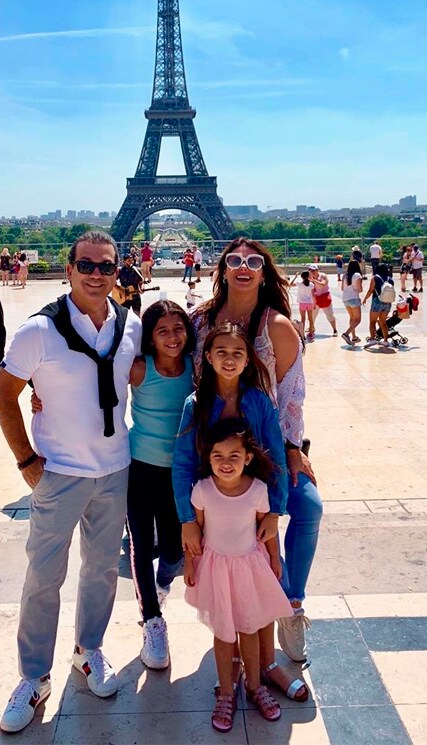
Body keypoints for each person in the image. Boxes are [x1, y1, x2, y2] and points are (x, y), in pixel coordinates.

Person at [0, 231, 141, 734]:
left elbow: (152, 374)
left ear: (120, 270)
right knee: (43, 578)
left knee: (100, 570)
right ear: (69, 269)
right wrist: (26, 462)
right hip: (58, 472)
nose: (97, 274)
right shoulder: (38, 331)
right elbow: (3, 393)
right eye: (87, 265)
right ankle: (33, 676)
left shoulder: (132, 325)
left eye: (107, 267)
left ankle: (88, 650)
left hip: (115, 467)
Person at [188, 237, 322, 692]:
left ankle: (291, 603)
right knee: (242, 533)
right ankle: (254, 632)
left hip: (267, 447)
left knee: (307, 507)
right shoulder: (199, 322)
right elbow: (163, 366)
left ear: (264, 271)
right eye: (234, 260)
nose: (243, 267)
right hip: (218, 457)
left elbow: (291, 398)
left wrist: (293, 447)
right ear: (221, 267)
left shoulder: (279, 326)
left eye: (253, 261)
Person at [184, 420, 296, 733]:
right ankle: (225, 692)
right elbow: (196, 532)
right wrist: (191, 564)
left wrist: (274, 557)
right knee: (223, 633)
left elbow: (267, 529)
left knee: (249, 628)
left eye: (234, 456)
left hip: (249, 568)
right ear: (208, 458)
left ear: (248, 457)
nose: (226, 463)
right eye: (218, 456)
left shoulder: (258, 490)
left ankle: (255, 685)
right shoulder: (202, 490)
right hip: (217, 570)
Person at [126, 300, 194, 669]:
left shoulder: (194, 370)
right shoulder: (140, 369)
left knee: (173, 552)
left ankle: (161, 584)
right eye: (162, 331)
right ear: (149, 338)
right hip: (140, 467)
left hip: (179, 472)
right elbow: (96, 387)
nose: (172, 337)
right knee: (140, 542)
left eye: (178, 329)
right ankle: (152, 620)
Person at [362, 263, 395, 348]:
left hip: (377, 301)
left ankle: (372, 340)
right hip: (387, 302)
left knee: (372, 322)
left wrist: (365, 298)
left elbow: (370, 290)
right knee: (383, 322)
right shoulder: (390, 279)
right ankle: (386, 341)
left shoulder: (375, 278)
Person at [308, 264, 338, 336]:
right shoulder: (308, 278)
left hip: (324, 297)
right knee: (312, 316)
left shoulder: (323, 276)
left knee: (330, 315)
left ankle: (334, 329)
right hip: (315, 298)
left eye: (313, 270)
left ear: (317, 270)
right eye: (310, 270)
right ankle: (311, 328)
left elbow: (323, 284)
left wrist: (314, 280)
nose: (312, 272)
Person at [341, 259, 363, 346]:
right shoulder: (357, 275)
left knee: (352, 318)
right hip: (354, 298)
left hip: (345, 298)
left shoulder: (345, 275)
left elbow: (342, 288)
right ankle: (346, 334)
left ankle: (354, 337)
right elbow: (360, 289)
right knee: (358, 320)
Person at [292, 271, 316, 339]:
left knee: (303, 319)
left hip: (302, 303)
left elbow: (290, 284)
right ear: (308, 276)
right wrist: (314, 304)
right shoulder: (311, 284)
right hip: (309, 303)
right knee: (310, 319)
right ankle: (311, 333)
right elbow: (313, 295)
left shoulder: (299, 284)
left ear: (301, 277)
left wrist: (295, 277)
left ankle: (302, 334)